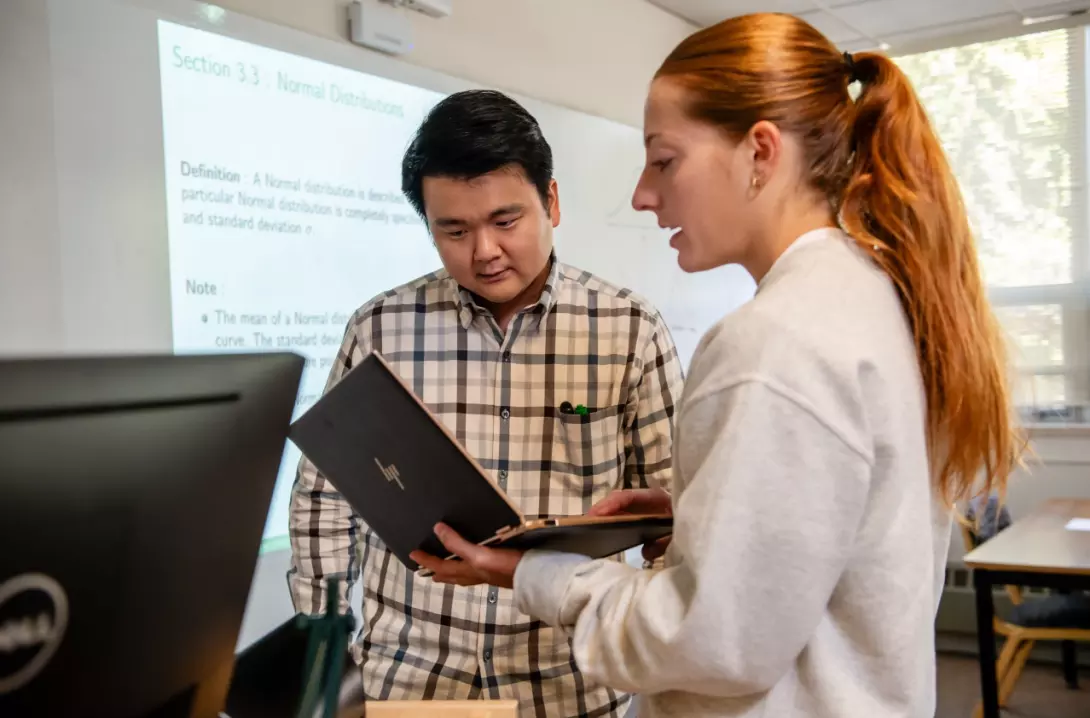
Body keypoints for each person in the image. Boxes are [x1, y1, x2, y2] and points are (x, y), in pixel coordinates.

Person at [411, 13, 1024, 718]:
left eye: (664, 160)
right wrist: (702, 513)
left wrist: (539, 575)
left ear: (760, 152)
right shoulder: (870, 299)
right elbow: (828, 536)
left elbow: (709, 643)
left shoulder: (773, 344)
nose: (643, 194)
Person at [287, 89, 685, 717]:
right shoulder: (382, 327)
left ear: (550, 201)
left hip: (566, 678)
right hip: (414, 676)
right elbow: (325, 500)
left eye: (506, 221)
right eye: (454, 230)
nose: (484, 252)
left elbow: (674, 514)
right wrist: (320, 665)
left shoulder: (628, 328)